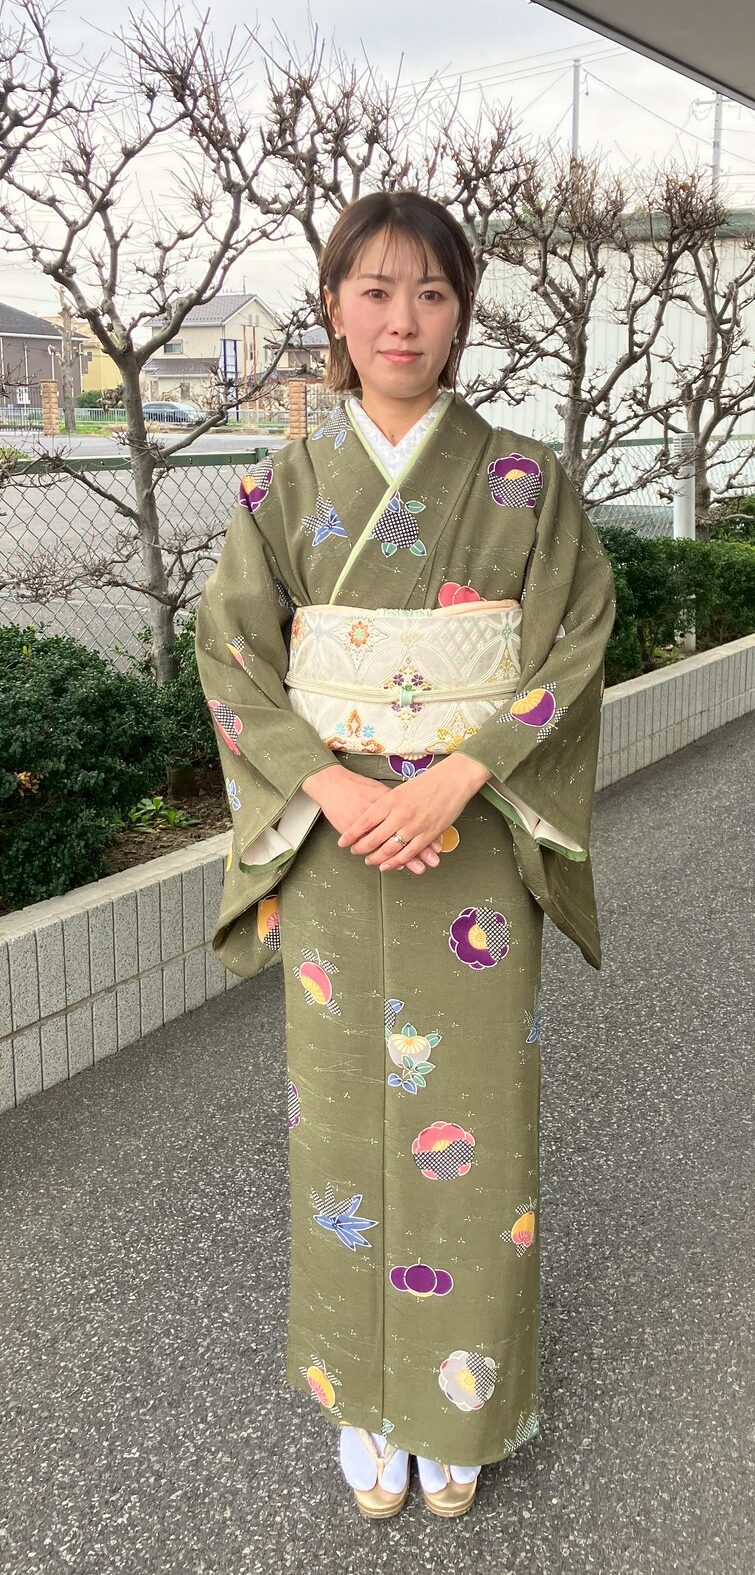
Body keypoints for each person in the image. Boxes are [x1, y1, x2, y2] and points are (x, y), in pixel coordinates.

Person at [194, 189, 616, 1519]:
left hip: (471, 836)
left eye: (431, 293)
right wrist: (332, 785)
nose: (402, 319)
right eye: (374, 290)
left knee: (474, 1117)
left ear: (461, 312)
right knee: (336, 1116)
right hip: (333, 840)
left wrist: (453, 777)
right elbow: (233, 653)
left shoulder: (522, 480)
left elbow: (573, 645)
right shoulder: (283, 484)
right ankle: (360, 1399)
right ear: (333, 306)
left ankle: (460, 1398)